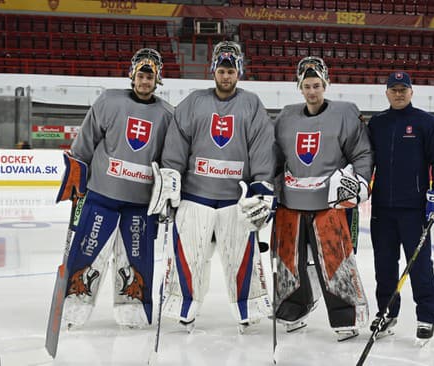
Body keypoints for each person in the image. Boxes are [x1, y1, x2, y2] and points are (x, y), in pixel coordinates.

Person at [148, 41, 276, 333]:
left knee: (240, 258)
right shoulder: (194, 102)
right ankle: (184, 308)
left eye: (231, 71)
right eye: (221, 70)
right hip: (195, 196)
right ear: (213, 72)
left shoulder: (252, 104)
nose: (226, 76)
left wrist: (261, 185)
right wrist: (171, 180)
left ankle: (248, 308)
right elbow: (177, 144)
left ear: (239, 72)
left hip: (236, 200)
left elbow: (261, 147)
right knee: (188, 256)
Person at [56, 48, 174, 328]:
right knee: (88, 250)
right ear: (132, 74)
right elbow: (85, 142)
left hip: (139, 202)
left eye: (151, 76)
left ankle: (132, 310)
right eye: (142, 75)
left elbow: (170, 157)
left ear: (158, 80)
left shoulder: (168, 114)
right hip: (101, 196)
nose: (145, 81)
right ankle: (73, 307)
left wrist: (169, 189)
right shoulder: (109, 101)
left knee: (136, 257)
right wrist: (76, 173)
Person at [271, 56, 373, 341]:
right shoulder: (286, 117)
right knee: (289, 262)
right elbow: (275, 158)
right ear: (299, 88)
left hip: (328, 207)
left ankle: (346, 315)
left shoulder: (345, 114)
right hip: (291, 204)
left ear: (325, 85)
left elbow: (362, 153)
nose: (312, 91)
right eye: (306, 86)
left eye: (316, 85)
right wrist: (269, 187)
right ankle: (293, 308)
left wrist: (360, 181)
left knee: (335, 261)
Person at [367, 71, 434, 345]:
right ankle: (387, 312)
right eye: (394, 89)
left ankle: (426, 316)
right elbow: (364, 160)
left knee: (420, 265)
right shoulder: (377, 124)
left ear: (411, 92)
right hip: (382, 208)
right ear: (387, 92)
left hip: (414, 210)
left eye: (404, 89)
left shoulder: (425, 122)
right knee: (384, 267)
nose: (399, 93)